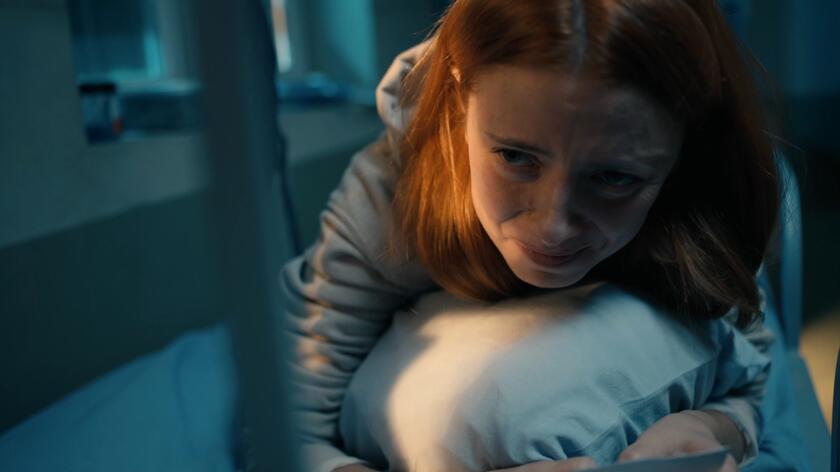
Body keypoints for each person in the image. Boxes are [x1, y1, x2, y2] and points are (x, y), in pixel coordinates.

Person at [280, 1, 779, 471]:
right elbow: (288, 427)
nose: (553, 227)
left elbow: (750, 363)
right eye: (515, 157)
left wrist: (715, 427)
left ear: (684, 149)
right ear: (458, 92)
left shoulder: (701, 199)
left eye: (613, 178)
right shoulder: (391, 195)